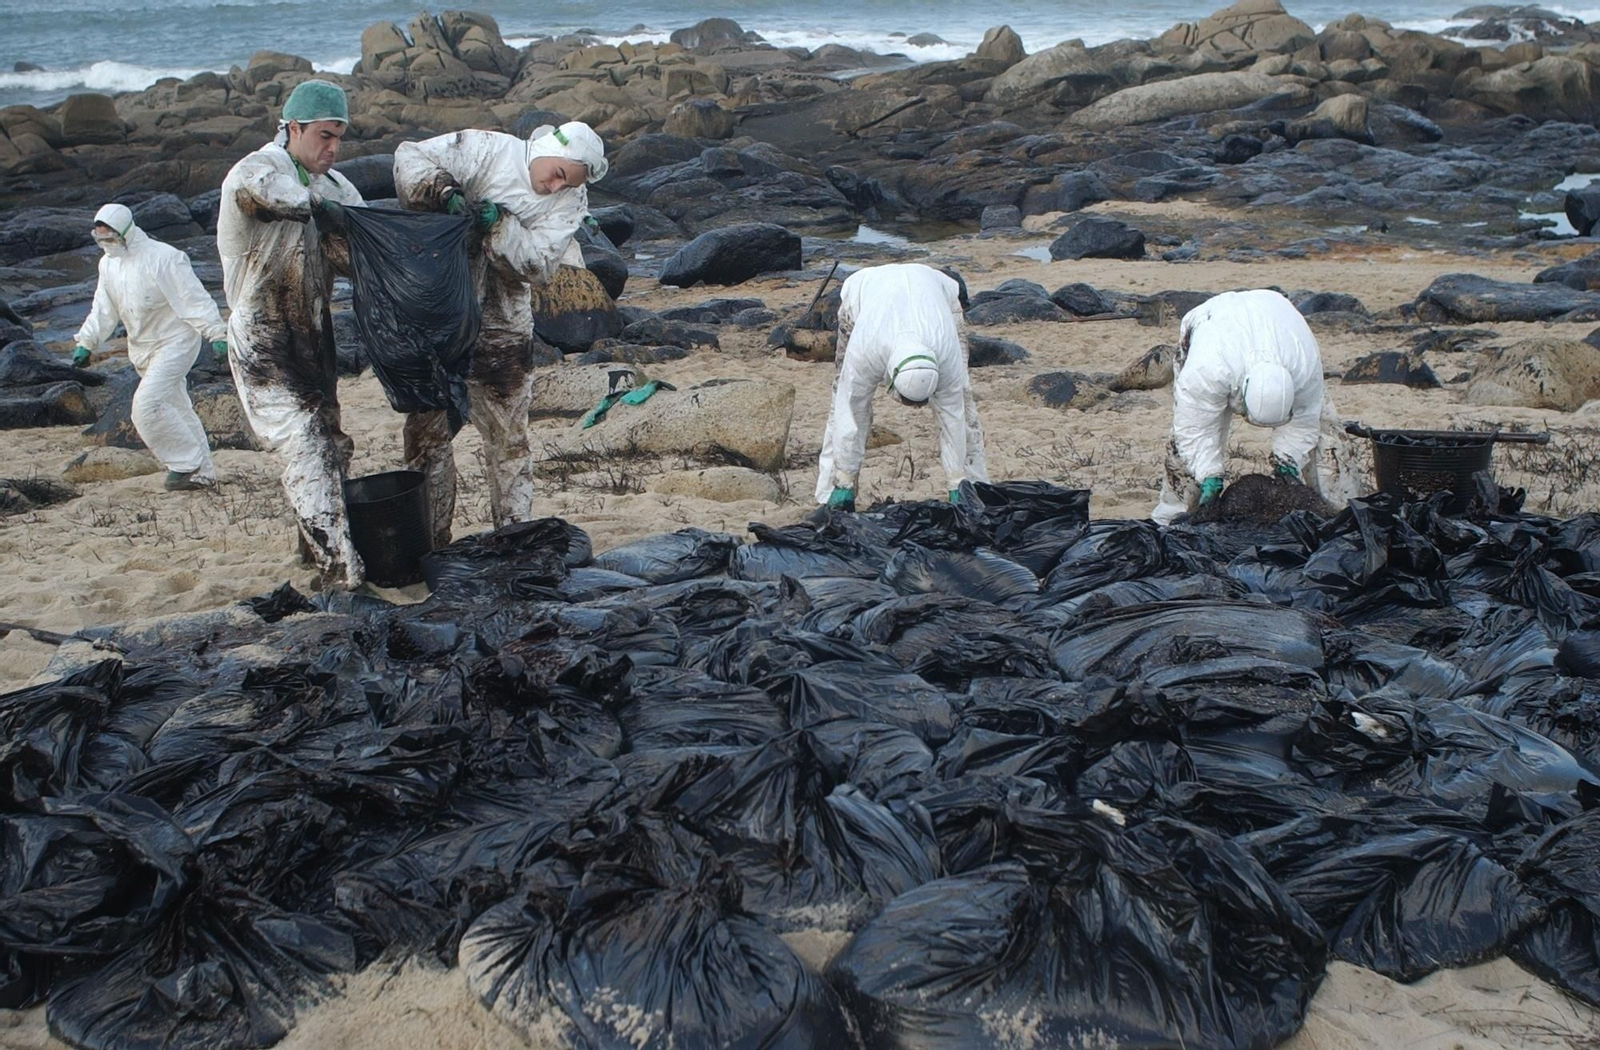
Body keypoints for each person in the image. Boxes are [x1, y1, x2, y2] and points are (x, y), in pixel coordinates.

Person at [393, 120, 608, 547]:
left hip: (503, 322)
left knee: (509, 437)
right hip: (440, 312)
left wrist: (499, 226)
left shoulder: (569, 201)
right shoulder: (486, 149)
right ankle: (430, 541)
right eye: (558, 174)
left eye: (566, 184)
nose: (553, 188)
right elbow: (408, 157)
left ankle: (512, 537)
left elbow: (540, 264)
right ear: (547, 148)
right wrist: (444, 192)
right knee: (426, 433)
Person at [217, 79, 366, 588]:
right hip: (262, 335)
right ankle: (336, 570)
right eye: (324, 136)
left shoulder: (338, 187)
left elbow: (364, 238)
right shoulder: (259, 169)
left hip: (313, 333)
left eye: (340, 138)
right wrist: (322, 209)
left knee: (332, 442)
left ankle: (313, 549)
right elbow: (267, 194)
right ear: (293, 127)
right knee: (304, 442)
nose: (333, 148)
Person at [1152, 288, 1358, 525]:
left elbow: (1304, 418)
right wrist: (1209, 477)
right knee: (1183, 444)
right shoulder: (1206, 372)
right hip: (1211, 321)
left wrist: (1288, 462)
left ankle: (1340, 510)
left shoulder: (1303, 369)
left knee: (1326, 433)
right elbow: (1194, 429)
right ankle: (1173, 514)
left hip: (1278, 317)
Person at [73, 203, 228, 491]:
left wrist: (217, 334)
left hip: (176, 343)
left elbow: (192, 298)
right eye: (100, 239)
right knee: (178, 408)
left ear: (126, 232)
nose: (106, 244)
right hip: (141, 349)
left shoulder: (164, 258)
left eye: (110, 238)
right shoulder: (108, 264)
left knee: (145, 407)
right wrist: (87, 341)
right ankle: (204, 475)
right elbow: (103, 310)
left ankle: (184, 465)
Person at [814, 262, 988, 510]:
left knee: (963, 399)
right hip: (863, 292)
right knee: (841, 398)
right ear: (891, 377)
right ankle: (832, 491)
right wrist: (845, 479)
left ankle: (972, 487)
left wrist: (955, 482)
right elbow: (851, 410)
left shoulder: (946, 355)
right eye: (909, 401)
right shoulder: (867, 352)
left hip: (937, 292)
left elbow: (953, 414)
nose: (915, 408)